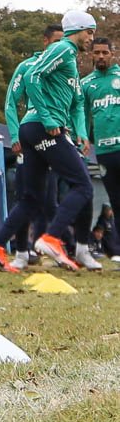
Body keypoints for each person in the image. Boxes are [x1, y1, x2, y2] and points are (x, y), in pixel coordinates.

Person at [0, 11, 95, 272]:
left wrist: (80, 131)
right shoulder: (63, 49)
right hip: (45, 128)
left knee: (31, 199)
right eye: (89, 32)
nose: (91, 38)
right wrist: (48, 118)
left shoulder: (70, 59)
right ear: (77, 30)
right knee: (83, 186)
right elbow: (32, 77)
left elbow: (77, 102)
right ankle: (52, 239)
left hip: (34, 129)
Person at [2, 24, 62, 269]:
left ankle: (44, 246)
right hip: (31, 138)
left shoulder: (64, 67)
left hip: (55, 139)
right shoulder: (27, 66)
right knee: (26, 196)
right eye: (56, 41)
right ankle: (21, 251)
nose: (60, 47)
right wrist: (15, 135)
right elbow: (10, 102)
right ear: (45, 41)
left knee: (50, 201)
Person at [78, 35, 120, 268]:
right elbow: (82, 116)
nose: (101, 56)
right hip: (104, 151)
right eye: (97, 53)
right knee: (115, 202)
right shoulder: (86, 84)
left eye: (105, 52)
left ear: (112, 53)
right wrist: (83, 137)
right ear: (91, 55)